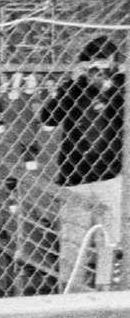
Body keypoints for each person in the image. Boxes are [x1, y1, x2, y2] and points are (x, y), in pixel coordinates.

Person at [39, 34, 125, 291]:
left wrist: (109, 88)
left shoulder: (120, 87)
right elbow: (49, 117)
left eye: (104, 65)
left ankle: (107, 292)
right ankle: (71, 294)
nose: (98, 72)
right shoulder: (74, 88)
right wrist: (77, 82)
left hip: (110, 176)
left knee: (109, 243)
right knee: (73, 246)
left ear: (114, 65)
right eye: (93, 66)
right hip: (75, 178)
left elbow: (124, 114)